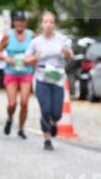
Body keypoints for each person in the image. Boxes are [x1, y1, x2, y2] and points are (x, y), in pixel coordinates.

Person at [25, 11, 73, 150]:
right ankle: (47, 139)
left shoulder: (62, 39)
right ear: (41, 24)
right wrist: (34, 57)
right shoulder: (36, 42)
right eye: (46, 22)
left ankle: (53, 122)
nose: (48, 25)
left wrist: (67, 54)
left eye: (51, 22)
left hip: (57, 79)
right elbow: (25, 59)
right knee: (45, 109)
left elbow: (70, 56)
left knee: (57, 113)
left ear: (54, 24)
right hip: (41, 78)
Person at [0, 10, 34, 139]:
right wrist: (6, 59)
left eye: (22, 21)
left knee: (24, 102)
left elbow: (38, 51)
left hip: (26, 72)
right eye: (17, 21)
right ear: (14, 22)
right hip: (11, 72)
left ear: (25, 22)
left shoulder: (31, 35)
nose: (20, 23)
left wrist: (31, 58)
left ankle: (21, 128)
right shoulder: (8, 35)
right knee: (12, 103)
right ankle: (10, 118)